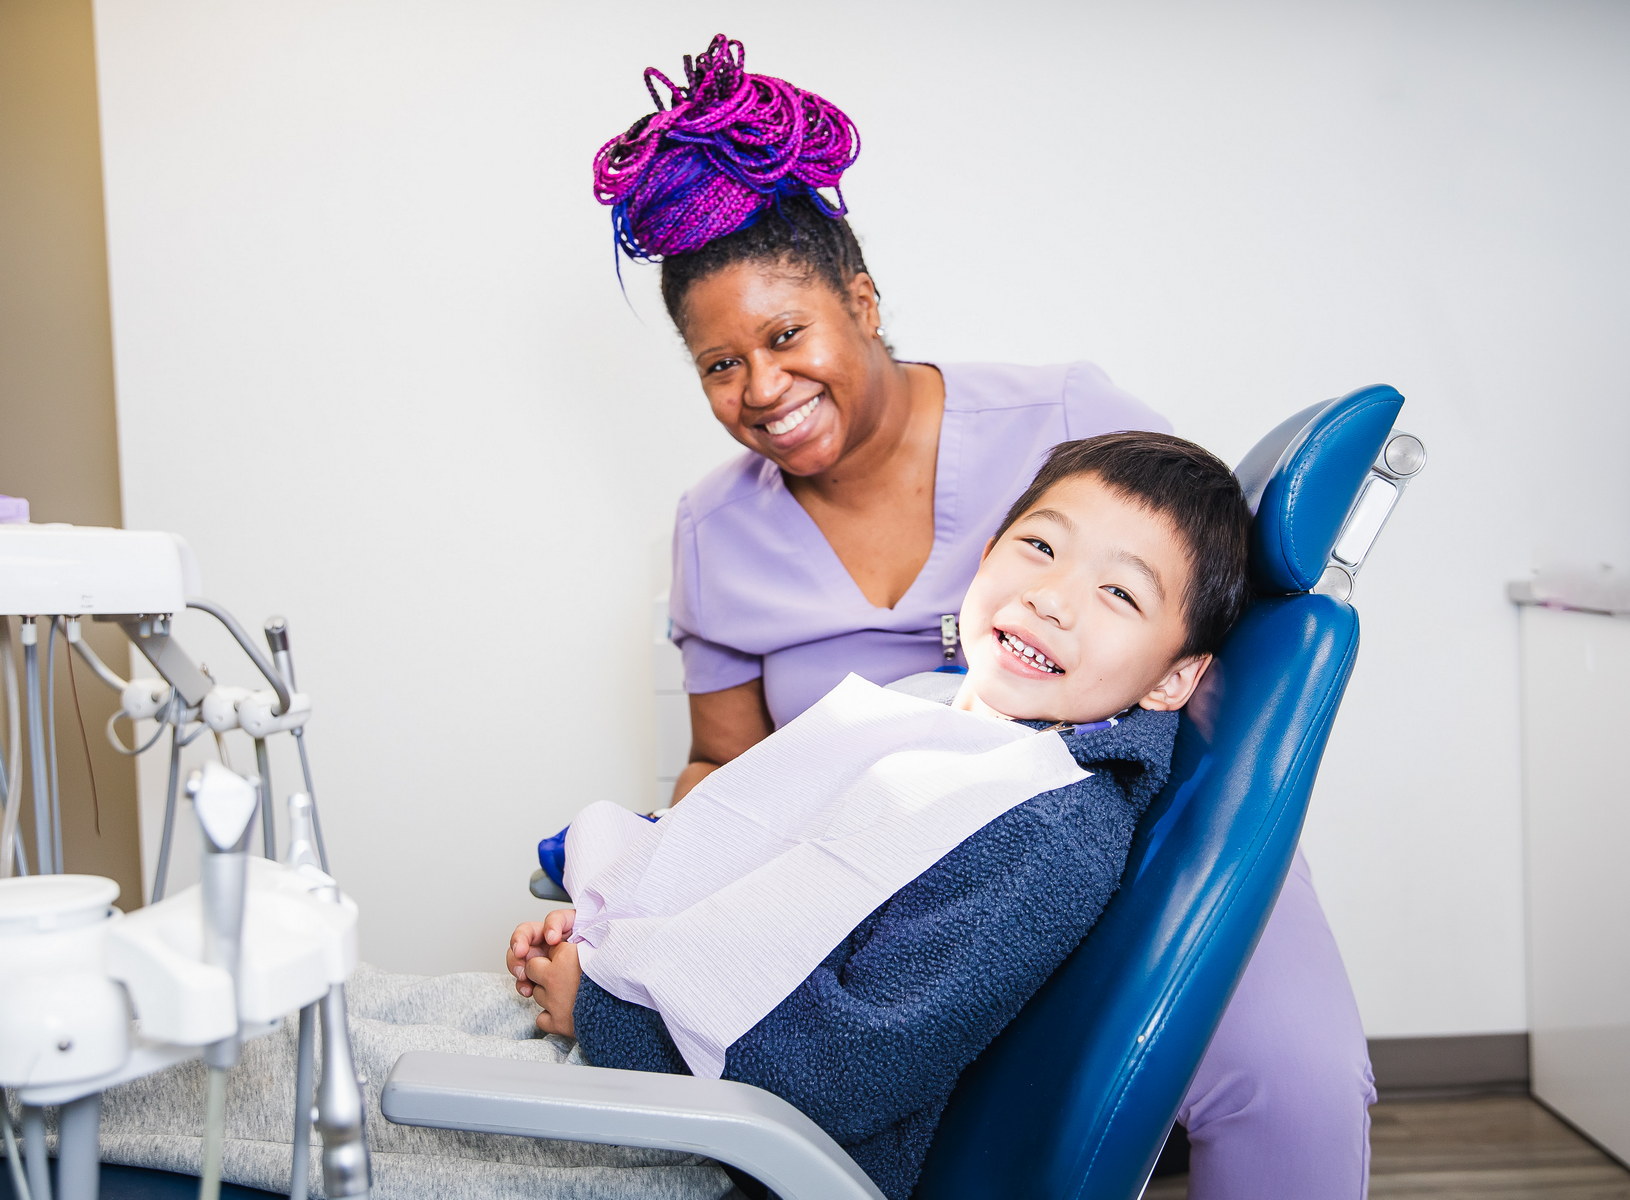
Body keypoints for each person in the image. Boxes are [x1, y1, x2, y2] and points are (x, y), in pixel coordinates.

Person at [594, 34, 1376, 1200]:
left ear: (859, 301)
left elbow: (1207, 608)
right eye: (717, 364)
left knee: (1285, 1081)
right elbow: (725, 763)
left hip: (1119, 841)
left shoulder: (1064, 415)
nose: (760, 389)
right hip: (911, 911)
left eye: (787, 336)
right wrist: (652, 905)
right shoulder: (715, 528)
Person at [93, 431, 1247, 1200]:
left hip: (721, 1156)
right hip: (659, 1069)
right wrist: (605, 941)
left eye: (1116, 591)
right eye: (1037, 547)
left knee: (197, 1079)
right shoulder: (942, 724)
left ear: (1168, 680)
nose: (1051, 593)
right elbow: (755, 886)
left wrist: (602, 1009)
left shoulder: (1042, 831)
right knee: (294, 1004)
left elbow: (846, 1077)